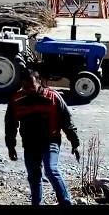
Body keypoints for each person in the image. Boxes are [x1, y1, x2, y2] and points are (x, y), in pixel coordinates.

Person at [5, 68, 80, 205]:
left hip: (50, 141)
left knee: (51, 170)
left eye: (31, 85)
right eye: (24, 86)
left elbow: (66, 120)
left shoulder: (53, 97)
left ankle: (66, 202)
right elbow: (10, 125)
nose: (28, 89)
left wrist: (74, 141)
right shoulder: (17, 100)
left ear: (39, 82)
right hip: (30, 144)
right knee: (34, 176)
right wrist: (11, 146)